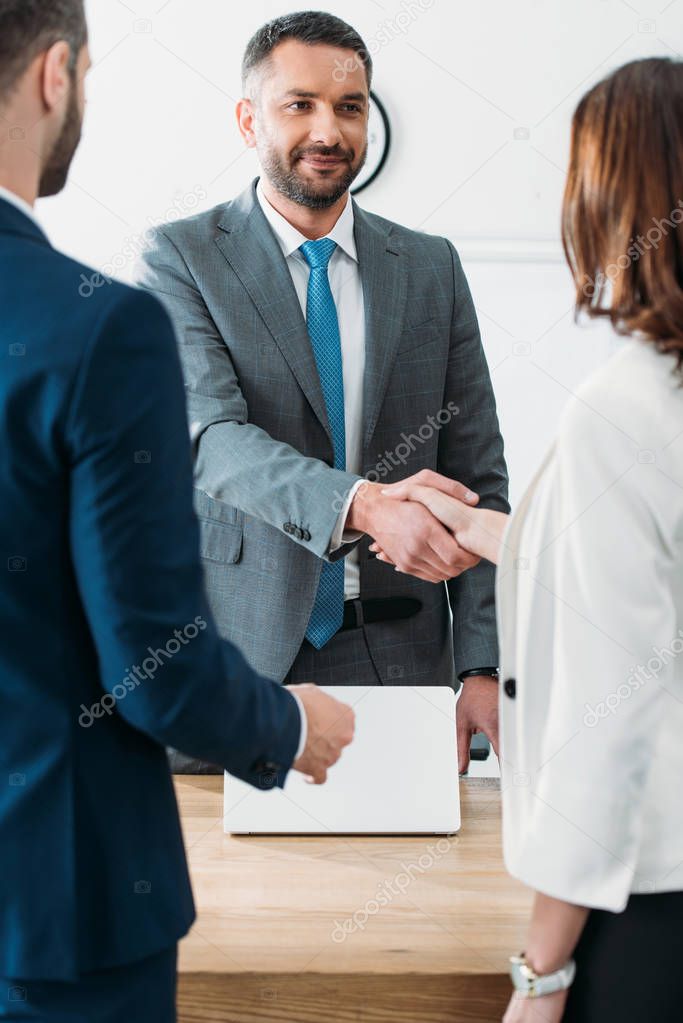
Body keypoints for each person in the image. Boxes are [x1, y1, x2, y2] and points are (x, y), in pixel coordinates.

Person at [0, 2, 354, 1019]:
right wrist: (287, 724)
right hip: (55, 919)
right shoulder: (102, 329)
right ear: (54, 75)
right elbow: (150, 662)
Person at [374, 57, 683, 1022]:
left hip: (646, 908)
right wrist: (487, 527)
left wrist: (539, 972)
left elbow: (608, 727)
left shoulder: (624, 407)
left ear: (609, 198)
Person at [136, 11, 509, 775]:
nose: (328, 131)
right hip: (230, 658)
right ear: (248, 119)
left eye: (348, 106)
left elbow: (478, 480)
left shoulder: (430, 267)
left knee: (408, 892)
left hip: (401, 665)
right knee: (232, 895)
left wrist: (481, 665)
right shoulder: (181, 257)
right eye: (298, 104)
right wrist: (367, 504)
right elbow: (210, 439)